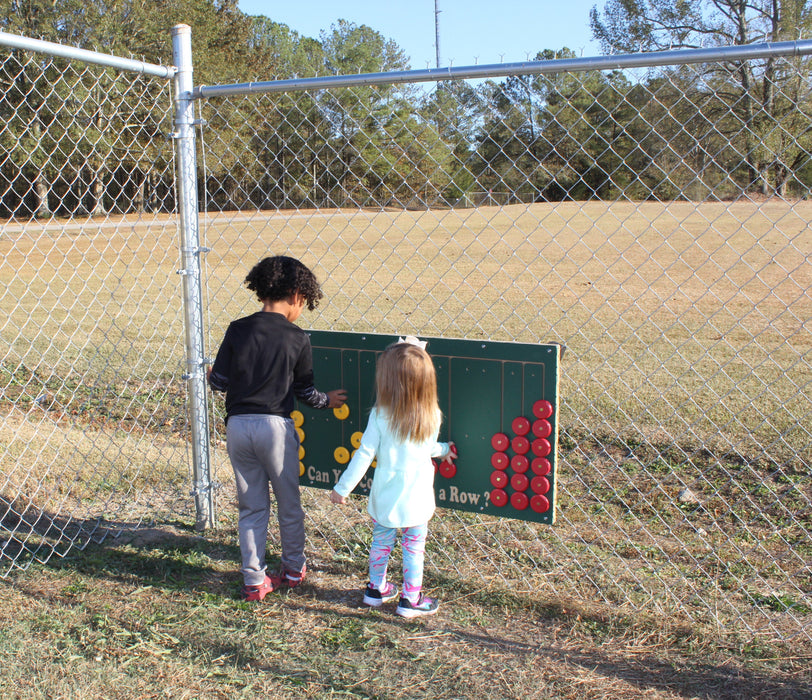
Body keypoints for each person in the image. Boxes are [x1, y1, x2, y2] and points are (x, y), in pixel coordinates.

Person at [209, 255, 347, 602]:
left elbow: (220, 382)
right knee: (288, 503)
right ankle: (292, 569)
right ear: (298, 295)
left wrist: (215, 375)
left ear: (262, 290)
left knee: (251, 506)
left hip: (238, 427)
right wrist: (327, 401)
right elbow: (304, 392)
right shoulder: (297, 337)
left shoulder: (237, 329)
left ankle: (254, 580)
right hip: (275, 428)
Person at [330, 337, 456, 618]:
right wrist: (446, 450)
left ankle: (376, 589)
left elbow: (364, 453)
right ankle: (410, 599)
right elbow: (427, 448)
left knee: (381, 541)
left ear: (387, 380)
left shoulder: (379, 415)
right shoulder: (431, 415)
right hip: (416, 497)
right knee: (414, 547)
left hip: (385, 494)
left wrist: (343, 488)